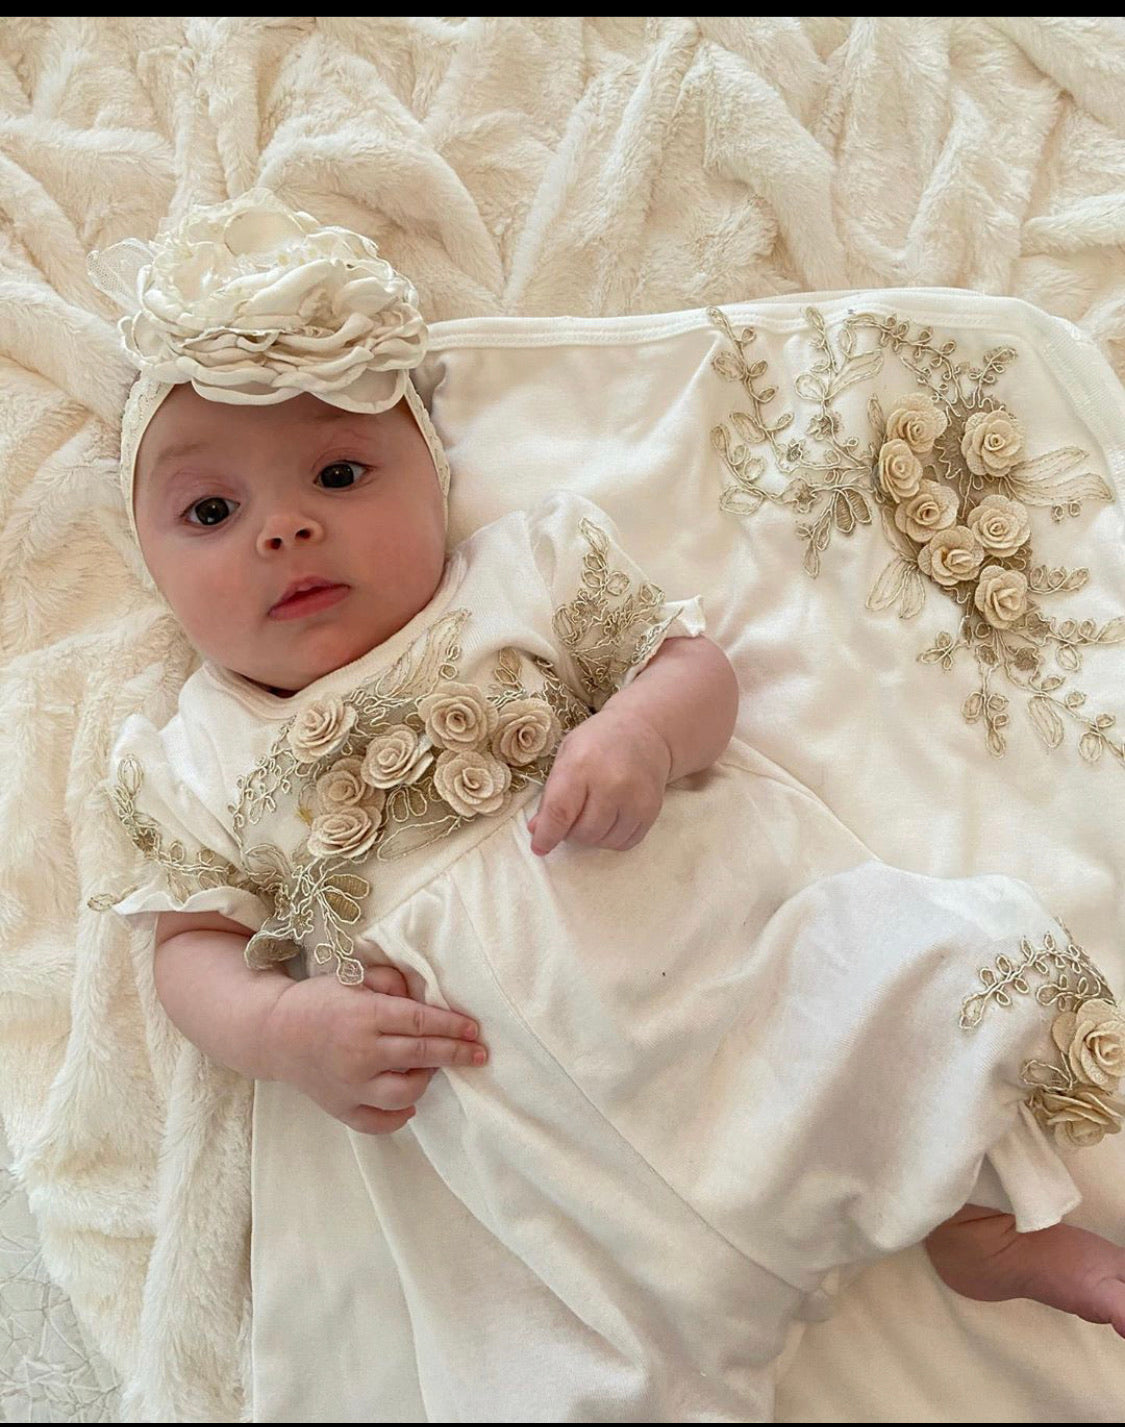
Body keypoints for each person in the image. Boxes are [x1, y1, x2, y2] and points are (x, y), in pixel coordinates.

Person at [88, 191, 1125, 1423]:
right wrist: (286, 1030)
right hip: (535, 1153)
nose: (288, 527)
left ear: (434, 474)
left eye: (341, 470)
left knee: (913, 999)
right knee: (555, 1360)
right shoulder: (191, 755)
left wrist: (637, 730)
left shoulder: (522, 577)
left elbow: (695, 667)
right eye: (213, 512)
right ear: (150, 564)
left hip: (722, 986)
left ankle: (978, 1224)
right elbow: (187, 951)